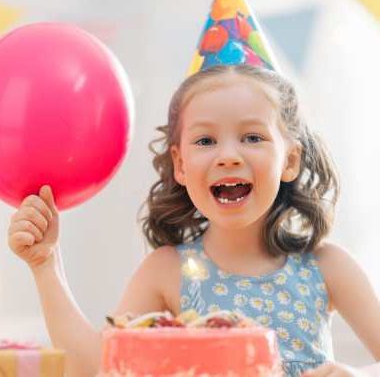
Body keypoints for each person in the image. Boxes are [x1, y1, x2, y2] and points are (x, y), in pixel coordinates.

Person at [7, 65, 380, 377]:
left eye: (252, 136)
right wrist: (45, 265)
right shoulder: (166, 271)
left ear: (290, 160)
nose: (228, 156)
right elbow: (97, 368)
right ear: (181, 164)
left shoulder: (327, 266)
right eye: (205, 141)